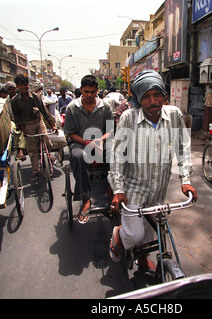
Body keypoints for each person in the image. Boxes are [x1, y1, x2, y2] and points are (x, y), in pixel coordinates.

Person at [108, 70, 198, 272]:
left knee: (150, 231)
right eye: (146, 97)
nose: (152, 101)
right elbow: (117, 156)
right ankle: (118, 235)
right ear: (139, 100)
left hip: (158, 188)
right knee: (134, 235)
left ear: (164, 96)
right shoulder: (129, 118)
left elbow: (183, 148)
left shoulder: (174, 115)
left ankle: (141, 259)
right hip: (132, 188)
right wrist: (118, 189)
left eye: (157, 94)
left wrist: (185, 179)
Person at [64, 75, 114, 224]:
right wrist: (87, 142)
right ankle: (86, 198)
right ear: (81, 90)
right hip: (80, 142)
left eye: (93, 92)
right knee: (78, 156)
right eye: (86, 92)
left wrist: (100, 140)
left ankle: (111, 188)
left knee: (114, 152)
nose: (90, 95)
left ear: (97, 90)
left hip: (101, 141)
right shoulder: (72, 108)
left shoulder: (105, 107)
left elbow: (110, 130)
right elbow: (71, 134)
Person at [10, 74, 57, 180]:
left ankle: (49, 156)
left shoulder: (35, 96)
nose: (24, 87)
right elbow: (17, 117)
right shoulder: (15, 101)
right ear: (18, 86)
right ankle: (35, 171)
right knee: (32, 150)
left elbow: (44, 112)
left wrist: (53, 126)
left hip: (39, 122)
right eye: (21, 85)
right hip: (27, 125)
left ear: (28, 85)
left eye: (25, 85)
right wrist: (24, 130)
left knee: (47, 140)